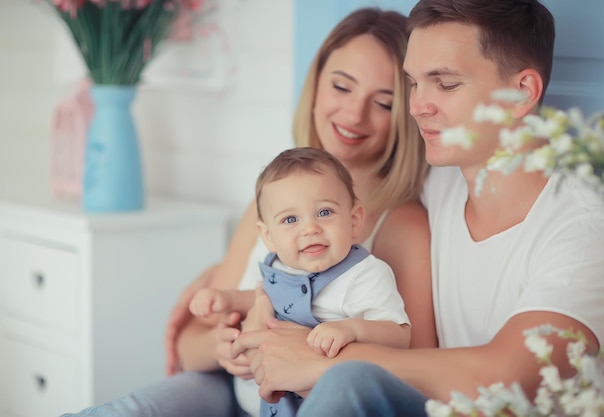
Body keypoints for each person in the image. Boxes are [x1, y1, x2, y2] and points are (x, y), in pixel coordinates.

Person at [230, 1, 604, 416]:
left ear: (522, 92)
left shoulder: (590, 228)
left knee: (350, 381)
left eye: (446, 84)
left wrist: (323, 359)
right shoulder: (442, 178)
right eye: (414, 84)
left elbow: (513, 378)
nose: (417, 105)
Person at [59, 7, 436, 417]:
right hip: (230, 391)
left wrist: (317, 349)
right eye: (341, 87)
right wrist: (224, 347)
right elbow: (190, 342)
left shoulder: (402, 224)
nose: (353, 114)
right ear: (316, 86)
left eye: (383, 103)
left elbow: (414, 372)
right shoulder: (271, 202)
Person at [190, 147, 411, 417]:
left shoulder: (364, 275)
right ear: (267, 236)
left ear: (354, 221)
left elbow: (400, 336)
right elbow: (265, 296)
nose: (310, 228)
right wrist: (226, 299)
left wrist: (351, 329)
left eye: (325, 212)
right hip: (254, 404)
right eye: (290, 219)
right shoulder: (278, 265)